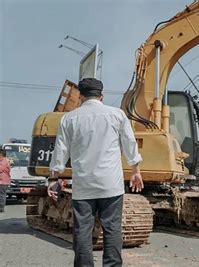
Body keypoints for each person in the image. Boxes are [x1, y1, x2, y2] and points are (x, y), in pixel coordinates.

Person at [48, 78, 144, 267]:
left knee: (82, 230)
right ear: (101, 96)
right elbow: (129, 144)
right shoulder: (117, 115)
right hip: (111, 185)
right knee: (112, 228)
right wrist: (136, 171)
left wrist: (54, 178)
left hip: (83, 185)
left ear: (80, 96)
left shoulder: (69, 118)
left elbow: (60, 151)